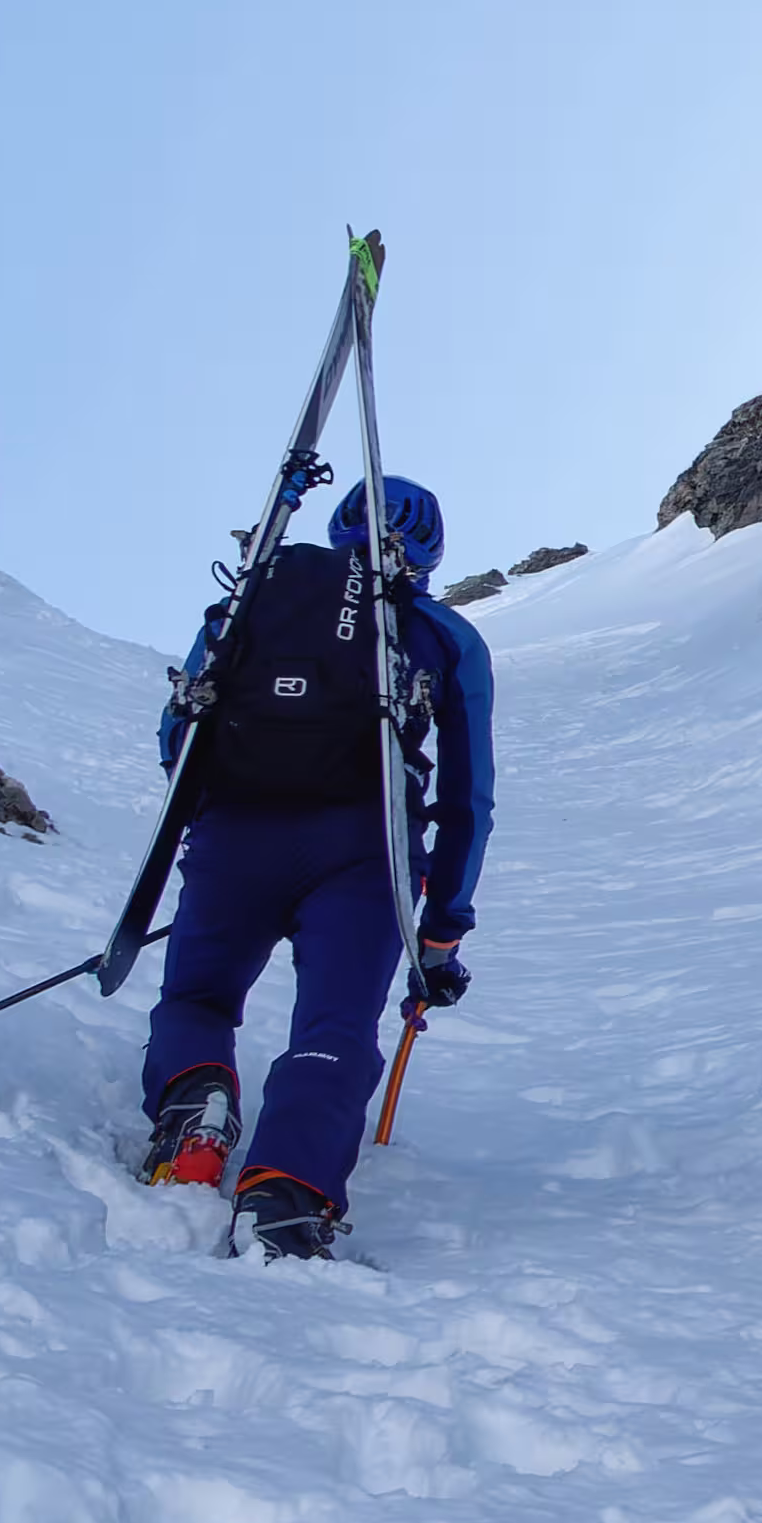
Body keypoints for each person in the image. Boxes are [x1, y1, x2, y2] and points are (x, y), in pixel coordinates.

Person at [137, 473, 494, 1258]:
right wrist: (441, 934)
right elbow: (469, 799)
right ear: (431, 553)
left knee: (198, 996)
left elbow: (179, 733)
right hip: (364, 853)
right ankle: (284, 1194)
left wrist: (213, 822)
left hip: (234, 832)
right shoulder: (442, 635)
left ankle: (195, 1106)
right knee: (334, 1026)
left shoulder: (257, 597)